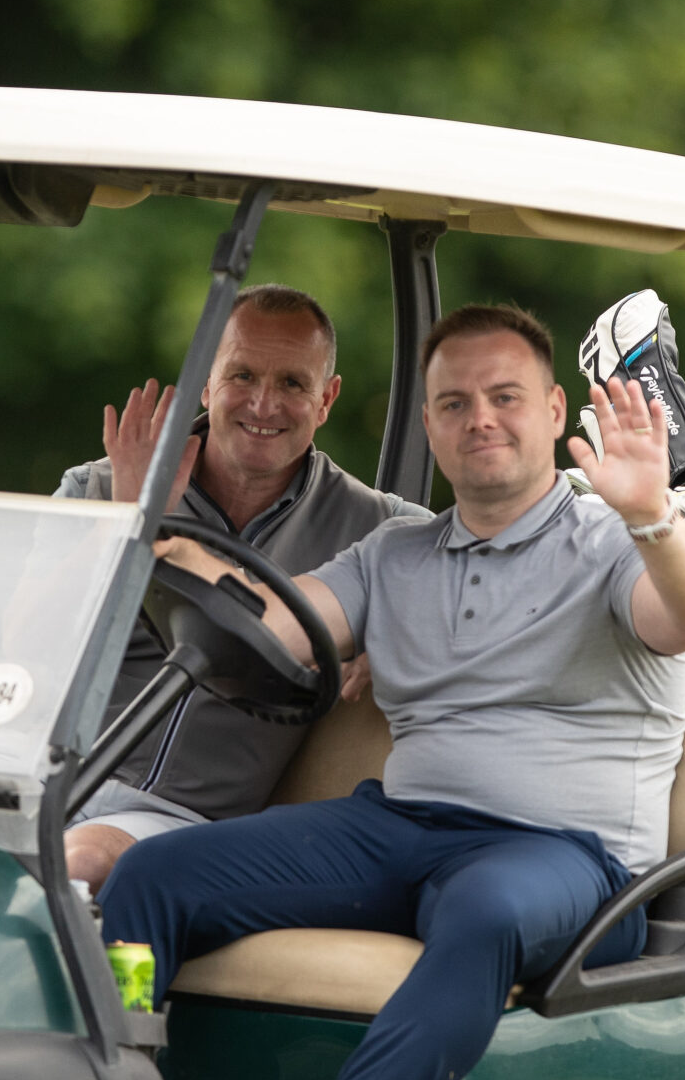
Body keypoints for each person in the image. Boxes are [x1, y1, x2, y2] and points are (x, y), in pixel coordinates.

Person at [99, 302, 685, 1080]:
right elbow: (273, 625)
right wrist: (152, 522)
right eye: (453, 402)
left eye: (504, 397)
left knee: (482, 912)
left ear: (552, 410)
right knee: (154, 875)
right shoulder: (392, 557)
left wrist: (651, 511)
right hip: (402, 830)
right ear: (430, 424)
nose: (480, 418)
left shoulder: (615, 543)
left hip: (565, 860)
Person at [55, 284, 421, 891]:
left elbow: (473, 579)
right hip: (43, 768)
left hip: (175, 816)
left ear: (326, 399)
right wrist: (128, 518)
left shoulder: (380, 529)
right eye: (243, 375)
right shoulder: (99, 485)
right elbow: (22, 636)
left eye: (293, 384)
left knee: (79, 862)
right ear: (207, 382)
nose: (263, 403)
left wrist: (404, 630)